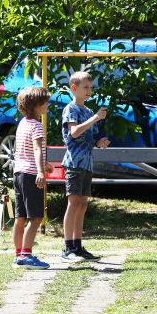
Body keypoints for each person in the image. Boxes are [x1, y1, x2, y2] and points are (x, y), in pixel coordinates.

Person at [61, 71, 110, 263]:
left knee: (82, 205)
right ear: (74, 88)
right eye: (85, 87)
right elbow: (73, 133)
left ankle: (78, 246)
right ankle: (67, 249)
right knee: (73, 204)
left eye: (91, 87)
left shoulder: (89, 112)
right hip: (74, 164)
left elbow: (88, 140)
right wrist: (94, 119)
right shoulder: (71, 109)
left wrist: (99, 143)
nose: (89, 91)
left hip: (87, 164)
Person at [12, 87, 54, 269]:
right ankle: (26, 256)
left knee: (20, 217)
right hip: (31, 175)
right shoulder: (37, 125)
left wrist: (43, 164)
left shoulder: (23, 123)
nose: (48, 104)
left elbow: (24, 150)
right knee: (36, 217)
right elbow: (37, 149)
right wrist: (41, 172)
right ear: (37, 105)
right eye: (45, 102)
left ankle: (18, 254)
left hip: (19, 173)